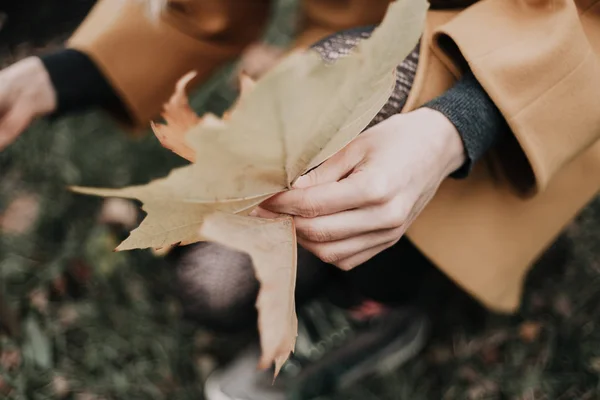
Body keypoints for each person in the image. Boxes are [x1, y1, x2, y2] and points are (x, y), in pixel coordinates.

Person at [1, 0, 599, 399]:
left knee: (344, 89)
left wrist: (459, 126)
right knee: (214, 285)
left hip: (537, 84)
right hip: (352, 44)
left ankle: (384, 301)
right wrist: (62, 73)